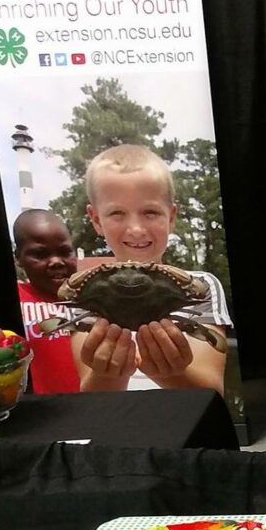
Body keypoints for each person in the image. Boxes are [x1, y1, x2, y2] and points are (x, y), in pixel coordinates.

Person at [73, 144, 231, 394]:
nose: (136, 228)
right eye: (117, 213)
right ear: (96, 220)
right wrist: (109, 374)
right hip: (117, 424)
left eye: (150, 212)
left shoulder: (199, 287)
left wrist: (174, 374)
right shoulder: (84, 289)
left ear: (171, 217)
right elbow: (91, 393)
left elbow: (214, 391)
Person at [13, 209, 80, 393]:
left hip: (89, 410)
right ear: (19, 257)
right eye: (41, 254)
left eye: (65, 251)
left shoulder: (91, 300)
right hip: (36, 414)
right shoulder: (11, 301)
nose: (56, 261)